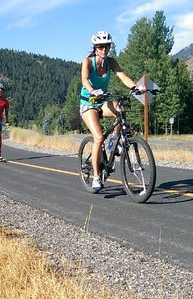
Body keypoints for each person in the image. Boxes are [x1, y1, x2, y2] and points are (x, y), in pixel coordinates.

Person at [79, 31, 139, 193]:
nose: (104, 49)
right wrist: (92, 90)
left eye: (107, 46)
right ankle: (97, 177)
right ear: (95, 47)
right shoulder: (88, 62)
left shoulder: (110, 62)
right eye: (100, 46)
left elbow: (122, 76)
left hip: (102, 102)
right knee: (98, 137)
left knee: (121, 108)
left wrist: (135, 87)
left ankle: (114, 142)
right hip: (88, 103)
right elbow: (84, 80)